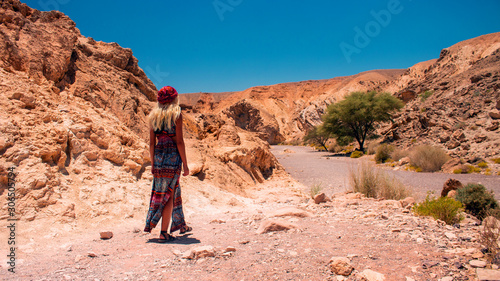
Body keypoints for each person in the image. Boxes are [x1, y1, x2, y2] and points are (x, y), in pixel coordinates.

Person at [144, 86, 191, 241]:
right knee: (169, 194)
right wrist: (185, 164)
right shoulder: (176, 115)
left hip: (158, 157)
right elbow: (179, 141)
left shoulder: (153, 116)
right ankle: (164, 232)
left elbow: (151, 143)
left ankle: (180, 224)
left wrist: (152, 163)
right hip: (172, 157)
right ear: (174, 99)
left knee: (168, 191)